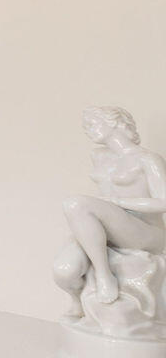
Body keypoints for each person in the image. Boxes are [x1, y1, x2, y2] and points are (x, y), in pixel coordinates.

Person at [54, 106, 166, 331]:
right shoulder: (99, 156)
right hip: (112, 225)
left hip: (146, 231)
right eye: (86, 126)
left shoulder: (148, 159)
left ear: (115, 123)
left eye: (93, 124)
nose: (88, 130)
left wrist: (116, 201)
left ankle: (104, 275)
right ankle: (77, 302)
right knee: (64, 271)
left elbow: (163, 202)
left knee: (75, 203)